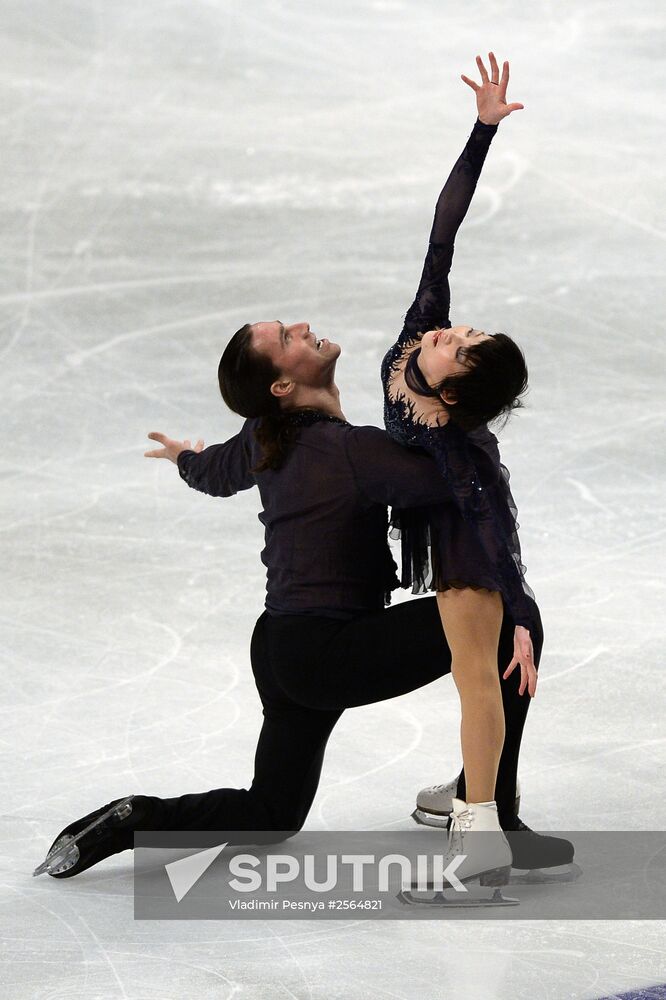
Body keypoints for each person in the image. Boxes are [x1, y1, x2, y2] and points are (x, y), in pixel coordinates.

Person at [34, 55, 574, 889]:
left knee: (270, 812)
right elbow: (473, 515)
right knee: (501, 632)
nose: (307, 326)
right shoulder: (352, 450)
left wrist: (182, 457)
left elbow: (215, 471)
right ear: (285, 383)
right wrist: (474, 454)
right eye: (289, 335)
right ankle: (484, 815)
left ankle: (138, 816)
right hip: (331, 651)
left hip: (281, 648)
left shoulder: (266, 439)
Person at [380, 52, 535, 876]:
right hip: (445, 528)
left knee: (479, 676)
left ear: (456, 392)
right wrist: (481, 132)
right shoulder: (419, 332)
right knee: (484, 677)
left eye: (463, 349)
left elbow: (490, 516)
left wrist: (516, 604)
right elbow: (445, 228)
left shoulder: (451, 439)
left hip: (467, 542)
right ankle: (475, 794)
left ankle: (481, 836)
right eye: (464, 332)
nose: (453, 332)